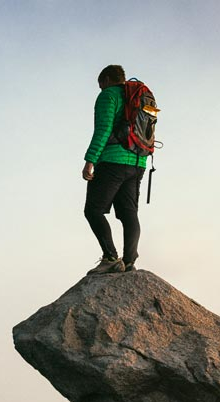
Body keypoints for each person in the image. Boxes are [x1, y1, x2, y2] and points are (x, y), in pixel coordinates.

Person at [82, 64, 148, 275]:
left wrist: (90, 159)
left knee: (93, 210)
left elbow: (103, 129)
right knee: (129, 213)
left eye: (100, 85)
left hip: (112, 161)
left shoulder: (108, 96)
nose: (100, 89)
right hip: (138, 162)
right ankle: (129, 262)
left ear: (107, 80)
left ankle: (110, 258)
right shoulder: (137, 97)